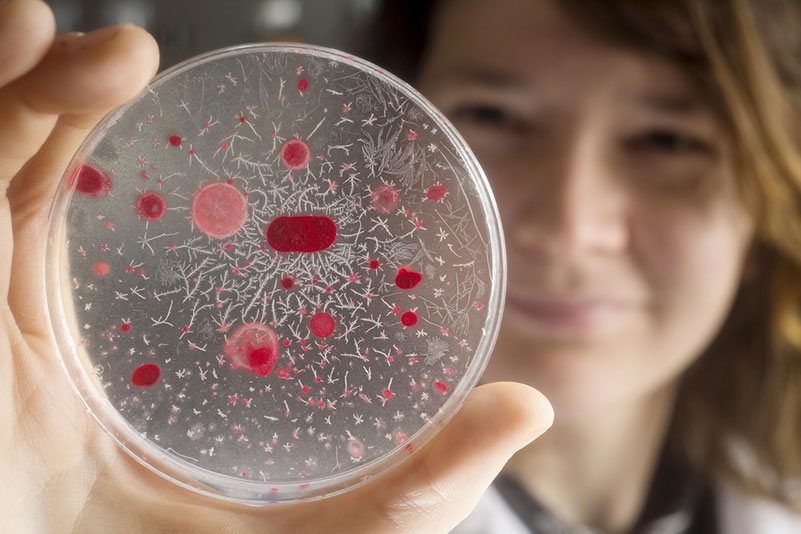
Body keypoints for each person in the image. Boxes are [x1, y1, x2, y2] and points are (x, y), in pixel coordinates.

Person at [0, 0, 798, 532]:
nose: (570, 224)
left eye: (668, 141)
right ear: (378, 153)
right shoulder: (183, 480)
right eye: (495, 117)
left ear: (771, 191)